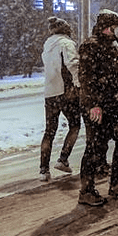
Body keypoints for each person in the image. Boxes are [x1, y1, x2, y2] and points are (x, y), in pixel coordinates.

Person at [77, 9, 118, 206]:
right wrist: (93, 105)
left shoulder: (111, 46)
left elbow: (114, 79)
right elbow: (87, 78)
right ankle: (86, 190)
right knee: (96, 148)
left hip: (114, 104)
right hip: (99, 107)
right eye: (116, 27)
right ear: (107, 28)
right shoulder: (91, 46)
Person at [39, 16, 81, 181]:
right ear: (66, 30)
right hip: (66, 91)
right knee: (75, 125)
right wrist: (78, 84)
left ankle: (43, 169)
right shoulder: (66, 43)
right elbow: (73, 64)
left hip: (50, 92)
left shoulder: (47, 44)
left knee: (49, 131)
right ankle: (63, 159)